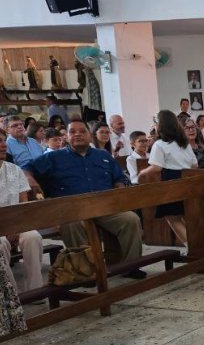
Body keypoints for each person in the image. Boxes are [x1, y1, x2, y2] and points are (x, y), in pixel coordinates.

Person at [24, 120, 145, 279]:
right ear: (66, 137)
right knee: (71, 224)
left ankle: (130, 266)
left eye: (82, 131)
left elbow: (119, 177)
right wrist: (32, 182)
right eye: (72, 132)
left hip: (104, 207)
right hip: (72, 210)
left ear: (90, 135)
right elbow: (25, 169)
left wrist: (119, 191)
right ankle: (85, 271)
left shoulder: (103, 156)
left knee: (131, 219)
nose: (78, 134)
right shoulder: (54, 157)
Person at [137, 111, 197, 247]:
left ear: (161, 125)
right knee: (183, 216)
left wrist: (141, 174)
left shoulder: (160, 144)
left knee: (172, 217)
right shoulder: (183, 143)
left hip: (172, 181)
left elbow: (156, 168)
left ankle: (192, 247)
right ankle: (196, 244)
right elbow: (195, 164)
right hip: (187, 180)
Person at [0, 129, 44, 293]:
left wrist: (17, 228)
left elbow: (23, 205)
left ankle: (35, 290)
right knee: (1, 244)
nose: (3, 145)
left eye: (4, 141)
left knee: (33, 236)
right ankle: (10, 294)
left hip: (16, 223)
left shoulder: (14, 169)